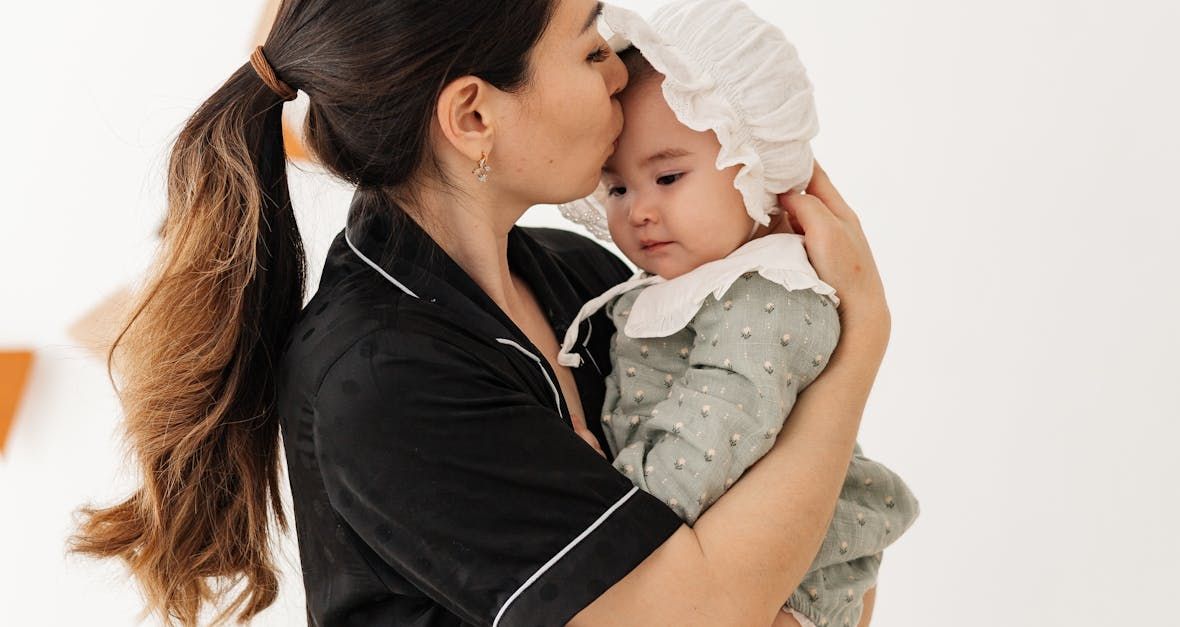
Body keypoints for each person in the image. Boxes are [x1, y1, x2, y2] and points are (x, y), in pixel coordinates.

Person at [67, 1, 894, 626]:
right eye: (590, 48)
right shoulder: (383, 376)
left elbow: (812, 540)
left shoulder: (590, 284)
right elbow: (691, 607)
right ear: (473, 117)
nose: (621, 74)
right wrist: (856, 346)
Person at [552, 3, 919, 626]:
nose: (638, 210)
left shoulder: (766, 294)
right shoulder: (667, 288)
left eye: (668, 176)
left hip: (788, 583)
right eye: (617, 188)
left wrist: (607, 495)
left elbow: (715, 434)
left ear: (755, 166)